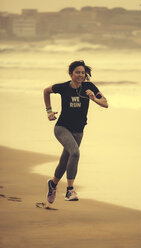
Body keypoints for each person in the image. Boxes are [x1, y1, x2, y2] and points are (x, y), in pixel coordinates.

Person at [43, 60, 108, 203]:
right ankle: (69, 190)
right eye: (77, 72)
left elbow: (105, 103)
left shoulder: (89, 86)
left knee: (65, 159)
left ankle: (53, 184)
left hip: (79, 130)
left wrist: (93, 98)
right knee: (75, 153)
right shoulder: (63, 87)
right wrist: (48, 111)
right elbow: (46, 91)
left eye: (83, 72)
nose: (80, 75)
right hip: (62, 128)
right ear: (71, 73)